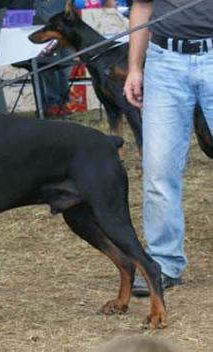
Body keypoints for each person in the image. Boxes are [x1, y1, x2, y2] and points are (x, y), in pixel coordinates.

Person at [124, 0, 213, 295]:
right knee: (158, 170)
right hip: (164, 62)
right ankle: (163, 262)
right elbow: (141, 6)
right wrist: (135, 67)